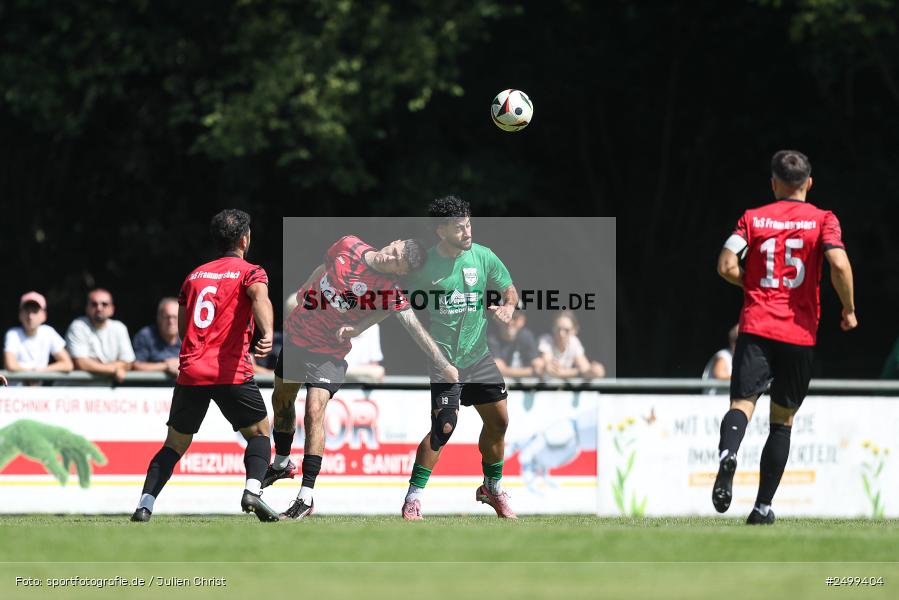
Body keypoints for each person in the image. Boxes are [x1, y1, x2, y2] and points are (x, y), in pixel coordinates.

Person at [266, 235, 458, 520]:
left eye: (397, 262)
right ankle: (282, 463)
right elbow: (324, 268)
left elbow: (413, 328)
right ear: (394, 242)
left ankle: (305, 498)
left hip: (329, 352)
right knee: (282, 403)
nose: (390, 257)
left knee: (313, 411)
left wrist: (444, 365)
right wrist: (304, 290)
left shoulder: (388, 290)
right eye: (395, 251)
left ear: (401, 273)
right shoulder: (347, 245)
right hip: (297, 337)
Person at [713, 150, 857, 525]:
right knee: (782, 420)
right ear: (808, 183)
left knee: (742, 404)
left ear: (774, 183)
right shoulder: (824, 219)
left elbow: (726, 264)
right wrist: (849, 309)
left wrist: (754, 283)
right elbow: (839, 263)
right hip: (798, 334)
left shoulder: (752, 218)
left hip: (757, 327)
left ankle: (728, 454)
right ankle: (762, 507)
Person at [130, 209, 279, 523]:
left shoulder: (194, 276)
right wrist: (266, 332)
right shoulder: (251, 271)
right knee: (260, 434)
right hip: (230, 371)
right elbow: (259, 297)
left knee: (174, 444)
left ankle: (145, 505)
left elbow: (185, 331)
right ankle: (253, 490)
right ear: (244, 238)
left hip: (193, 370)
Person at [400, 196, 519, 520]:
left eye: (468, 224)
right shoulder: (424, 266)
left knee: (500, 422)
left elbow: (509, 289)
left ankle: (491, 489)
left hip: (479, 358)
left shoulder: (483, 256)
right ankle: (413, 499)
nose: (466, 232)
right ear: (441, 231)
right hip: (444, 361)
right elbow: (400, 303)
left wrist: (508, 307)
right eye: (458, 227)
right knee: (444, 427)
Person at [65, 289, 135, 383]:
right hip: (75, 391)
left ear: (112, 309)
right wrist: (114, 369)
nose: (99, 308)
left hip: (105, 392)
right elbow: (81, 363)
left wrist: (96, 365)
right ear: (87, 308)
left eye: (104, 304)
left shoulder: (119, 328)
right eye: (94, 304)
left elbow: (128, 362)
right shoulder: (78, 326)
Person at [4, 291, 73, 378]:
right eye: (27, 311)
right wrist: (33, 375)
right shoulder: (12, 334)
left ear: (44, 315)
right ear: (20, 314)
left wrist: (40, 372)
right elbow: (10, 365)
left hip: (39, 390)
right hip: (15, 389)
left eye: (35, 311)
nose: (30, 316)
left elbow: (67, 364)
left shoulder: (48, 332)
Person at [538, 310, 606, 379]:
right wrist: (578, 371)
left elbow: (585, 369)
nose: (561, 334)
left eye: (566, 330)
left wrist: (595, 371)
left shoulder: (574, 342)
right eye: (558, 329)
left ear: (574, 331)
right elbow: (554, 371)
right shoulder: (545, 340)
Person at [488, 307, 544, 378]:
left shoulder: (526, 335)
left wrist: (539, 366)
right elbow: (499, 370)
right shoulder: (491, 337)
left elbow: (538, 366)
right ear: (497, 319)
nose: (510, 322)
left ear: (522, 320)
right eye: (505, 317)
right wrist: (532, 372)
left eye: (515, 317)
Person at [132, 298, 181, 376]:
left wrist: (180, 365)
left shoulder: (188, 337)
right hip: (151, 386)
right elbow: (135, 366)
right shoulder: (146, 335)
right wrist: (166, 366)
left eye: (175, 317)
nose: (171, 321)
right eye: (167, 317)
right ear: (159, 318)